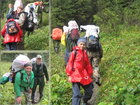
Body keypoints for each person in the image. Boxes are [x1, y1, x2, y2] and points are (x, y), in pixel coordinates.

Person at [66, 37, 95, 105]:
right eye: (81, 44)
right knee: (77, 94)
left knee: (89, 91)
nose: (82, 46)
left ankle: (84, 101)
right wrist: (69, 74)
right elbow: (69, 63)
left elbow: (87, 64)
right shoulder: (74, 53)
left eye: (84, 44)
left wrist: (90, 74)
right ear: (78, 44)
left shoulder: (85, 53)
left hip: (83, 74)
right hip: (75, 75)